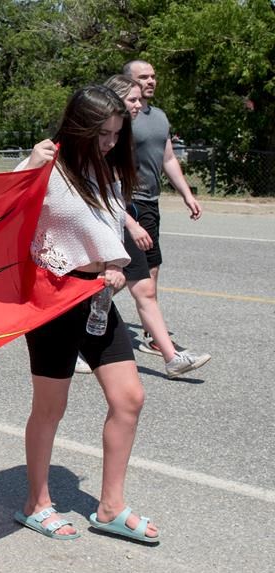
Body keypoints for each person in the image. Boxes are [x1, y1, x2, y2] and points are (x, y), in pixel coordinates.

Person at [14, 85, 159, 545]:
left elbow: (105, 228)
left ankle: (111, 505)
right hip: (56, 299)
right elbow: (0, 207)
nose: (111, 143)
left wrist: (116, 266)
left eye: (117, 134)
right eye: (103, 135)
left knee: (129, 398)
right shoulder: (49, 166)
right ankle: (36, 503)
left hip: (98, 297)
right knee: (51, 409)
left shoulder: (108, 171)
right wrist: (29, 166)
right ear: (79, 129)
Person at [103, 73, 209, 377]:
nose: (139, 105)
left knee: (144, 287)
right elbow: (99, 191)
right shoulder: (101, 138)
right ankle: (73, 343)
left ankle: (172, 357)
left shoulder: (123, 136)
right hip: (107, 219)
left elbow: (166, 159)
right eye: (133, 99)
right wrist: (131, 224)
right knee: (99, 286)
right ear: (116, 99)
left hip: (127, 213)